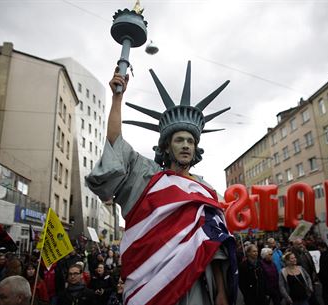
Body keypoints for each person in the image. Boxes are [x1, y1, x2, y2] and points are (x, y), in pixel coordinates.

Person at [85, 63, 237, 305]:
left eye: (190, 141)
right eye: (179, 140)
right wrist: (117, 99)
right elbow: (116, 145)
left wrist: (220, 291)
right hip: (153, 280)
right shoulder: (148, 176)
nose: (186, 145)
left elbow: (214, 245)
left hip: (197, 282)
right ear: (168, 146)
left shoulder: (204, 190)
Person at [290, 239, 320, 305]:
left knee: (312, 295)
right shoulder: (291, 254)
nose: (301, 245)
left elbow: (312, 263)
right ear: (294, 245)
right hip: (301, 280)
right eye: (298, 244)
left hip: (310, 277)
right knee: (307, 298)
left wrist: (314, 274)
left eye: (301, 243)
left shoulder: (305, 251)